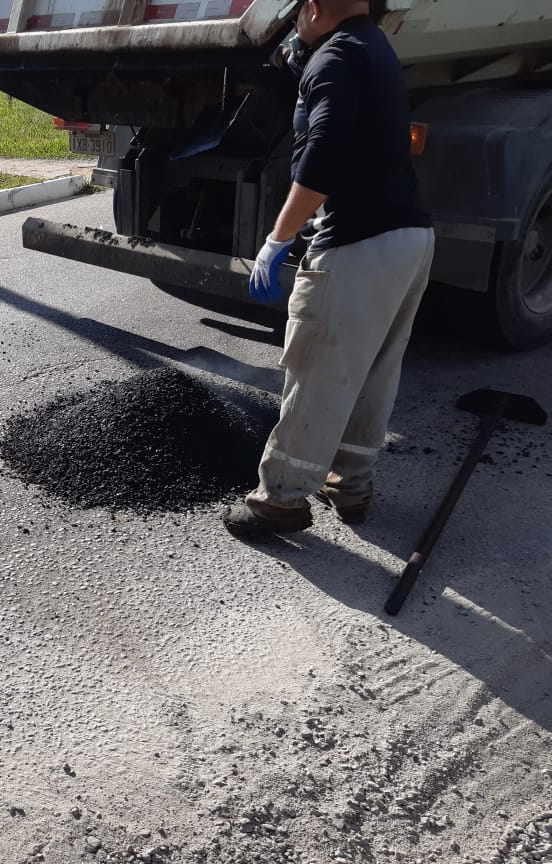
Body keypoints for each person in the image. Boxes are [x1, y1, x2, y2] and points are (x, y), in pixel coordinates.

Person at [222, 0, 434, 540]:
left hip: (359, 245)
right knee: (373, 372)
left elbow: (325, 154)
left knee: (315, 369)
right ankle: (351, 483)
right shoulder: (376, 47)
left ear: (314, 7)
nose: (294, 26)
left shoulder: (334, 58)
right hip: (410, 239)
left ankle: (281, 501)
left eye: (295, 14)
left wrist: (277, 240)